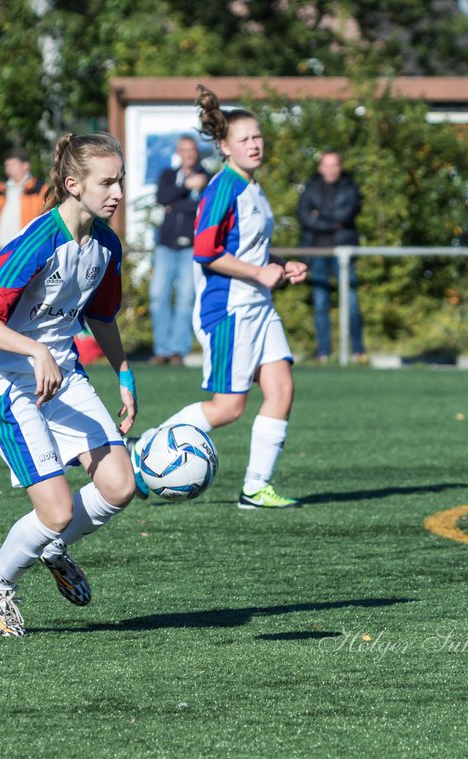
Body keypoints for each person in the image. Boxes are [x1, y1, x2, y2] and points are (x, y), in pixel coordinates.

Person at [0, 131, 137, 637]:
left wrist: (124, 373)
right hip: (7, 382)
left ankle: (53, 546)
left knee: (119, 484)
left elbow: (103, 317)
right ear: (72, 184)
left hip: (61, 375)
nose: (118, 193)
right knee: (58, 509)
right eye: (107, 182)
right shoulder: (38, 241)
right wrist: (35, 349)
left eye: (120, 181)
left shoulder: (106, 244)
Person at [131, 85, 307, 510]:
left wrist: (281, 265)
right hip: (228, 309)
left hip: (257, 306)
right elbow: (206, 250)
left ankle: (255, 488)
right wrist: (261, 272)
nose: (254, 144)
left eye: (258, 137)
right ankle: (143, 452)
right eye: (244, 139)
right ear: (225, 146)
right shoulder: (222, 187)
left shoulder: (253, 188)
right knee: (228, 408)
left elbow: (250, 250)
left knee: (282, 389)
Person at [296, 150, 365, 363]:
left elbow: (346, 214)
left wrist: (320, 215)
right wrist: (332, 222)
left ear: (340, 167)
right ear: (320, 168)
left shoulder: (350, 187)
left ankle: (358, 351)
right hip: (317, 251)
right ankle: (323, 352)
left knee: (351, 302)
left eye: (334, 165)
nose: (331, 169)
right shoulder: (312, 187)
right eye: (327, 165)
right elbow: (304, 215)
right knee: (320, 303)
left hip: (343, 251)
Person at [149, 134, 208, 365]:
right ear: (178, 152)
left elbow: (202, 208)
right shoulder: (169, 175)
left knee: (186, 298)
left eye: (192, 150)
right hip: (166, 245)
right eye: (184, 150)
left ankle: (177, 351)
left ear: (197, 152)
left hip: (192, 247)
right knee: (158, 296)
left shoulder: (207, 177)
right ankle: (161, 349)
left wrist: (176, 205)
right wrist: (184, 186)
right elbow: (162, 197)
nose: (189, 154)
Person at [0, 148, 46, 265]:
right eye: (6, 165)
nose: (8, 169)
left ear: (26, 166)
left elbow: (46, 221)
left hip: (28, 254)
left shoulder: (41, 190)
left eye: (13, 164)